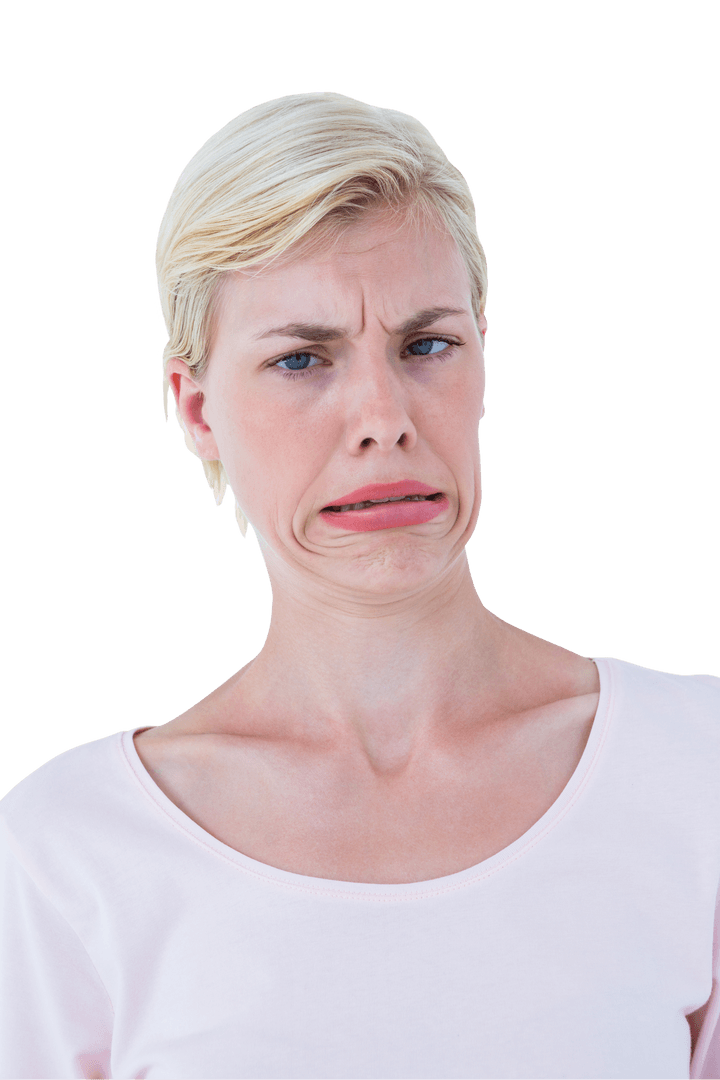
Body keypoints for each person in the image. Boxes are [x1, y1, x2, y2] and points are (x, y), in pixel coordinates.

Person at [1, 91, 718, 1080]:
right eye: (301, 359)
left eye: (427, 346)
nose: (384, 418)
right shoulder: (68, 853)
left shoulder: (697, 770)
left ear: (482, 356)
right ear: (198, 411)